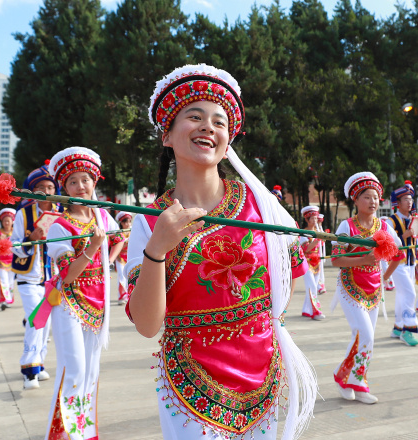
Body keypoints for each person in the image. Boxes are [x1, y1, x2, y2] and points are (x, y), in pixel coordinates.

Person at [123, 64, 317, 439]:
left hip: (263, 370)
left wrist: (258, 325)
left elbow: (287, 279)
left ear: (227, 142)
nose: (207, 127)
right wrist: (157, 250)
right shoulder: (150, 223)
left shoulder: (261, 205)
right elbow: (147, 326)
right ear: (167, 135)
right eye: (194, 117)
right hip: (190, 380)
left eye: (218, 121)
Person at [44, 147, 124, 440]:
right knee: (75, 370)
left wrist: (110, 258)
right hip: (69, 303)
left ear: (95, 181)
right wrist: (92, 248)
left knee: (91, 373)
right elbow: (67, 275)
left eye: (85, 180)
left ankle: (80, 432)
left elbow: (118, 238)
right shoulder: (59, 227)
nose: (81, 186)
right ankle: (69, 435)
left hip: (98, 303)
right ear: (64, 187)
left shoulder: (103, 218)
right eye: (73, 181)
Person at [331, 172, 400, 404]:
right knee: (366, 334)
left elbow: (397, 254)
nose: (373, 202)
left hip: (374, 290)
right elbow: (337, 260)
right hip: (350, 287)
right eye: (367, 197)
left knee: (363, 336)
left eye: (376, 198)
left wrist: (385, 278)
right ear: (356, 200)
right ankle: (359, 384)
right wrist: (363, 260)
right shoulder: (346, 226)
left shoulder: (384, 226)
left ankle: (346, 378)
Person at [11, 164, 63, 390]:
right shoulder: (23, 213)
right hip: (29, 279)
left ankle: (39, 363)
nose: (46, 191)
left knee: (47, 323)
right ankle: (29, 369)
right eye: (40, 187)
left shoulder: (63, 212)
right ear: (32, 191)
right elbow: (15, 247)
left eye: (50, 186)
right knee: (36, 319)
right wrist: (32, 238)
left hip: (54, 279)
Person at [385, 181, 418, 346]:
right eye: (406, 199)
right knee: (410, 294)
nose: (409, 202)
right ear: (397, 203)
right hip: (397, 263)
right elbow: (387, 244)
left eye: (411, 199)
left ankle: (398, 327)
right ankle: (408, 329)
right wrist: (404, 236)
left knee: (402, 294)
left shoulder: (415, 219)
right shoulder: (390, 221)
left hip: (412, 261)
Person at [300, 206, 325, 320]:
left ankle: (306, 310)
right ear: (307, 219)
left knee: (312, 286)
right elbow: (307, 248)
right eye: (313, 219)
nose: (315, 221)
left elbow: (321, 245)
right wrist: (318, 239)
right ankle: (316, 311)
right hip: (307, 263)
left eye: (316, 218)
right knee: (312, 286)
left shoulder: (317, 231)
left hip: (317, 263)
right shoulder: (303, 233)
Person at [0, 208, 16, 309]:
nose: (6, 223)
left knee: (10, 282)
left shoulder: (16, 232)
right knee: (3, 281)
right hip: (1, 262)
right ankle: (5, 300)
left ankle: (9, 299)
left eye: (8, 221)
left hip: (13, 262)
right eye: (4, 221)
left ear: (12, 221)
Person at [115, 211, 132, 305]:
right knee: (121, 277)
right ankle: (122, 296)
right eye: (125, 222)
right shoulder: (118, 232)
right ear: (121, 223)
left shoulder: (133, 231)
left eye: (129, 221)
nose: (127, 224)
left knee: (130, 276)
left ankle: (129, 295)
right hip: (120, 257)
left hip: (130, 257)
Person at [317, 213, 328, 295]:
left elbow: (323, 241)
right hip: (315, 253)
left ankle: (321, 285)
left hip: (320, 251)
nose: (319, 223)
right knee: (318, 270)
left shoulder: (320, 228)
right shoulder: (315, 229)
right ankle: (319, 286)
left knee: (321, 270)